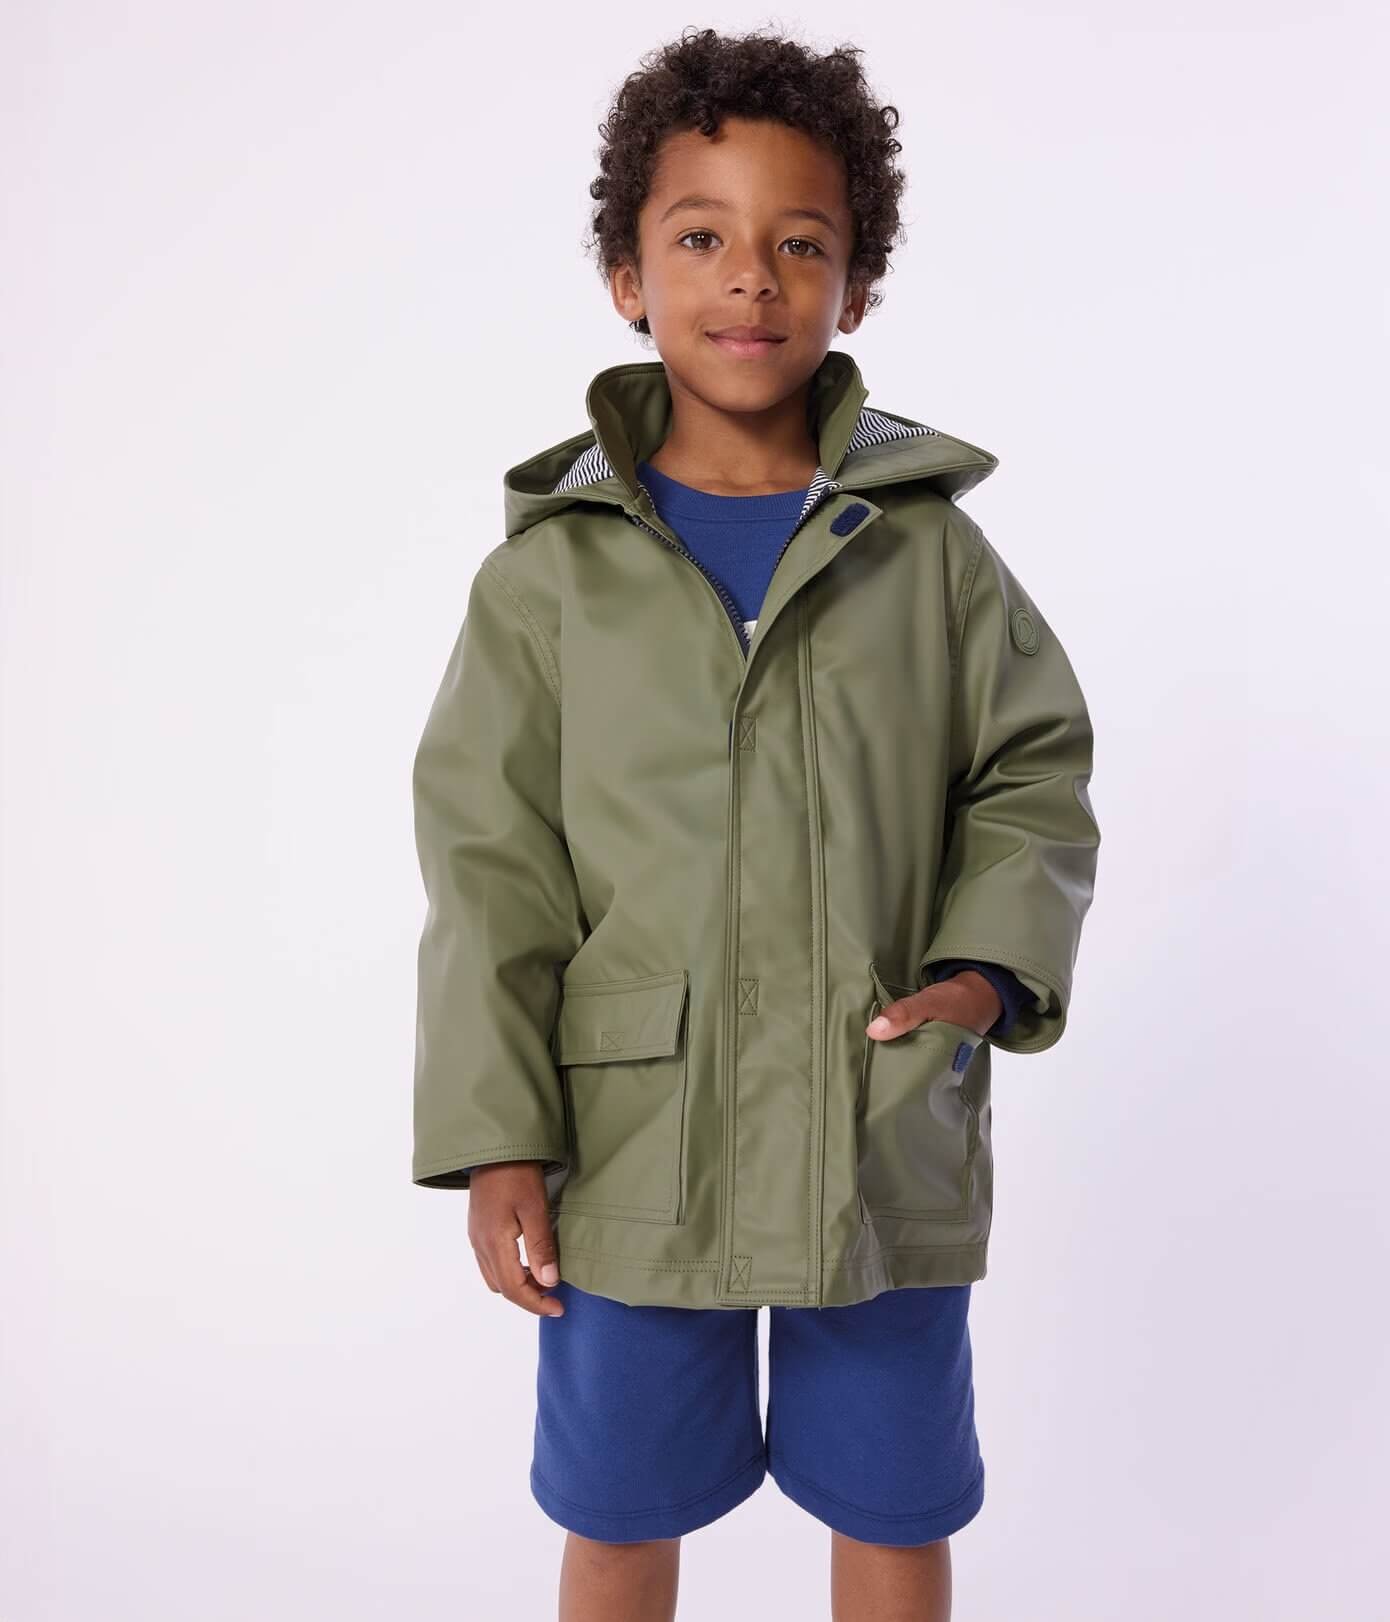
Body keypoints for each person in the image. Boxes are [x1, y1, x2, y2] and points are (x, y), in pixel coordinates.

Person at [410, 26, 1101, 1622]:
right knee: (617, 1505)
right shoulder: (548, 580)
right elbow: (490, 866)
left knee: (895, 1500)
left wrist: (981, 977)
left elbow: (1031, 768)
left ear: (855, 286)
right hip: (632, 1141)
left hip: (878, 1122)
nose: (750, 278)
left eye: (800, 243)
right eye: (699, 237)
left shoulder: (926, 555)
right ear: (624, 276)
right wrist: (496, 1134)